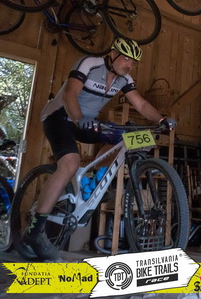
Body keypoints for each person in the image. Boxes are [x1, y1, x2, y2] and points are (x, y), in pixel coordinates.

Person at [23, 38, 176, 260]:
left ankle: (91, 179)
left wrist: (161, 119)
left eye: (133, 62)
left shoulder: (125, 79)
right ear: (113, 54)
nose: (129, 65)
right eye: (126, 59)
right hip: (60, 118)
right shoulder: (89, 64)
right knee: (70, 163)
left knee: (122, 138)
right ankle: (35, 231)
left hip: (87, 122)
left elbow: (141, 104)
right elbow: (69, 94)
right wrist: (78, 118)